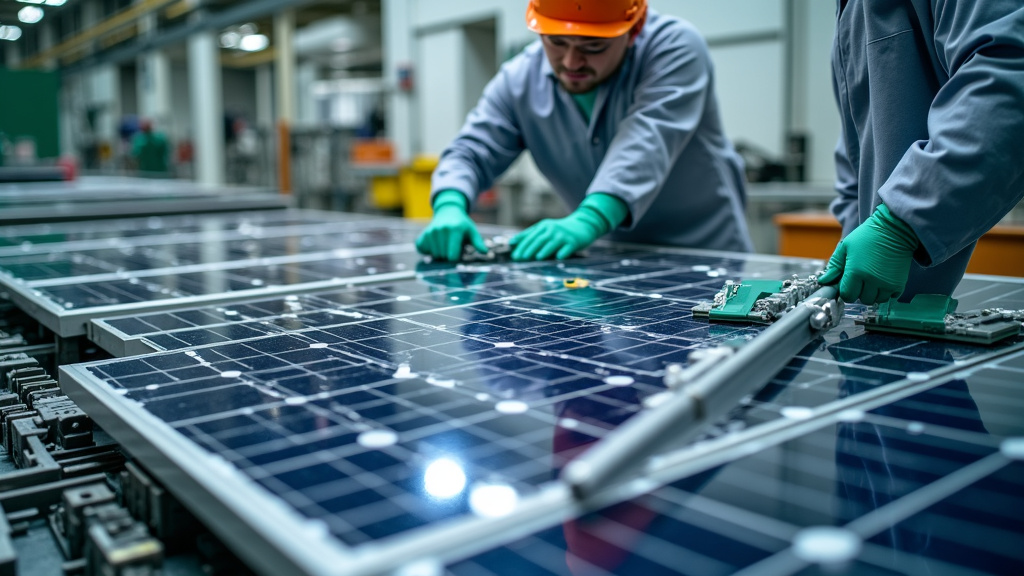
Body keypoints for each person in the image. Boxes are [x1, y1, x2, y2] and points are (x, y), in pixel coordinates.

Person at [415, 0, 753, 262]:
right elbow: (471, 151)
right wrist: (450, 204)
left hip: (708, 256)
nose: (572, 62)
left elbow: (646, 141)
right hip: (608, 257)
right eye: (556, 42)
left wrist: (586, 221)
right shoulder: (519, 78)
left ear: (633, 31)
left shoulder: (675, 48)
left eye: (593, 46)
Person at [818, 1, 1024, 305]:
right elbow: (859, 144)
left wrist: (900, 224)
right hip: (894, 305)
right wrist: (855, 239)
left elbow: (1009, 73)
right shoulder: (849, 12)